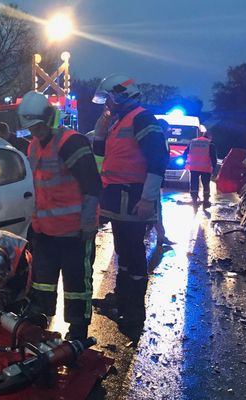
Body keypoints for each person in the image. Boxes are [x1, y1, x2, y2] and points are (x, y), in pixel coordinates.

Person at [16, 91, 102, 341]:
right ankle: (39, 325)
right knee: (43, 283)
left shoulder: (72, 142)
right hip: (45, 232)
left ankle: (78, 333)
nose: (35, 131)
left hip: (74, 232)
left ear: (48, 119)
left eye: (38, 126)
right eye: (31, 128)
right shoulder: (34, 146)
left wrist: (87, 224)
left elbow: (92, 186)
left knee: (77, 286)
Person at [90, 74, 168, 332]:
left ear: (119, 95)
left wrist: (147, 198)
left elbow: (158, 159)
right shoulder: (119, 120)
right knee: (124, 253)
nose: (108, 104)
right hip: (119, 201)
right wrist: (102, 123)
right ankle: (122, 302)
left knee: (133, 257)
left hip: (133, 200)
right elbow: (102, 152)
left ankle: (134, 313)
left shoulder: (142, 118)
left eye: (110, 99)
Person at [183, 129, 217, 209]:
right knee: (206, 185)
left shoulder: (193, 142)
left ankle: (194, 200)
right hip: (205, 168)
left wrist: (186, 162)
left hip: (193, 167)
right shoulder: (210, 144)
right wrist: (214, 168)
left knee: (194, 184)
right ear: (210, 136)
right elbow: (213, 158)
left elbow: (185, 153)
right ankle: (206, 201)